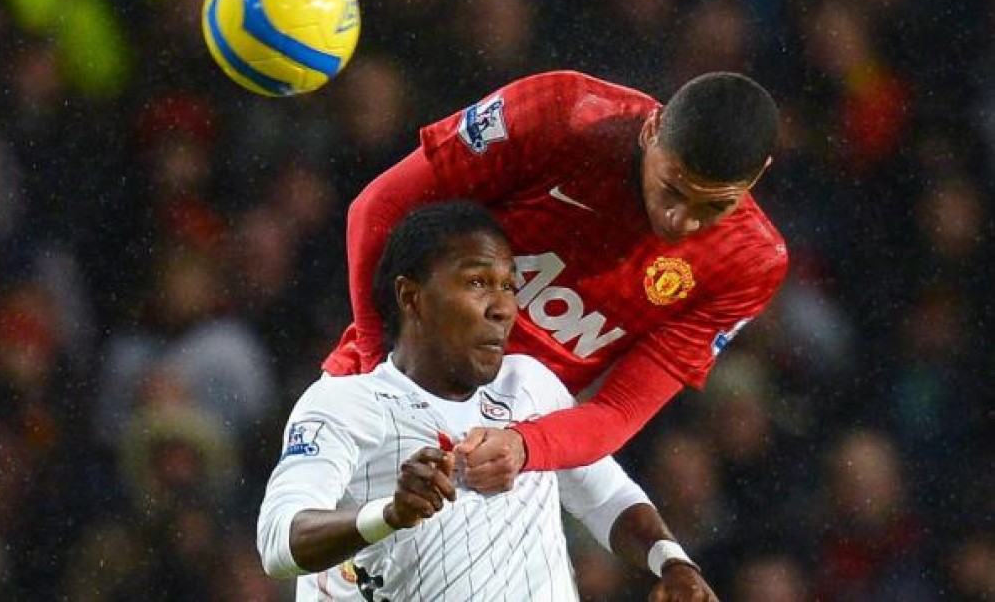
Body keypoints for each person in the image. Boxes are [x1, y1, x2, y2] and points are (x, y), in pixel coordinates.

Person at [323, 69, 788, 489]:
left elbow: (619, 410)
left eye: (715, 206)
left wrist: (523, 446)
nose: (680, 220)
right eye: (672, 188)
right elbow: (380, 208)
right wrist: (378, 374)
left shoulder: (748, 263)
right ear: (651, 130)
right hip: (373, 394)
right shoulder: (564, 113)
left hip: (497, 464)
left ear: (757, 178)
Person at [258, 201, 718, 601]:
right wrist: (390, 515)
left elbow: (606, 497)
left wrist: (672, 562)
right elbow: (279, 544)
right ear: (410, 296)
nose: (502, 307)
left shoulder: (532, 385)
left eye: (509, 285)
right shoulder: (346, 403)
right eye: (477, 282)